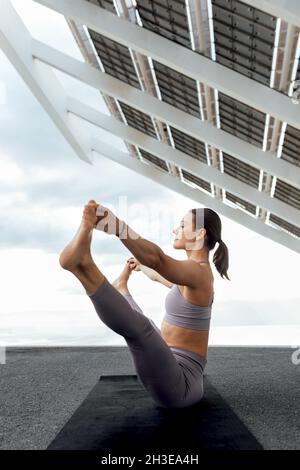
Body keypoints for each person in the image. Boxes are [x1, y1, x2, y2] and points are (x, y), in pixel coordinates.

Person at [59, 200, 230, 409]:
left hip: (182, 385)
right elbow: (159, 274)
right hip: (167, 362)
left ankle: (85, 269)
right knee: (145, 322)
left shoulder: (200, 273)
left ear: (200, 234)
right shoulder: (192, 275)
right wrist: (140, 266)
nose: (175, 229)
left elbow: (157, 260)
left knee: (144, 329)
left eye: (183, 225)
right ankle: (120, 286)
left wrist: (119, 228)